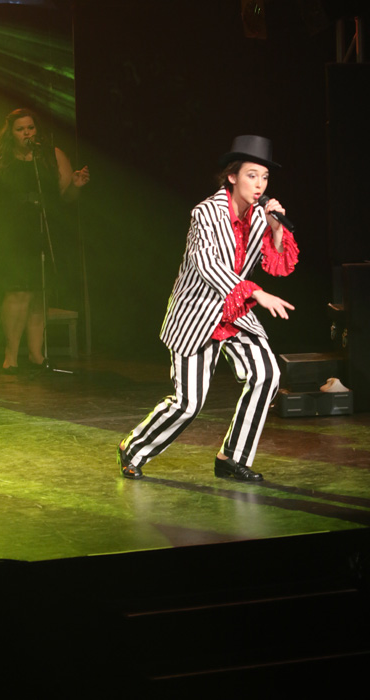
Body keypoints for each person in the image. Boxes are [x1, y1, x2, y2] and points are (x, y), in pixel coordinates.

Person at [118, 135, 299, 482]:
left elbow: (277, 264)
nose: (259, 185)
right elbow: (207, 264)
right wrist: (256, 293)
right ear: (232, 176)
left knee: (267, 374)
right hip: (197, 312)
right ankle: (134, 448)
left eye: (264, 177)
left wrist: (276, 229)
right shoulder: (205, 213)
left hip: (234, 311)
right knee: (188, 403)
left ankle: (232, 458)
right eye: (251, 176)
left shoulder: (260, 217)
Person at [0, 108, 90, 374]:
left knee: (39, 291)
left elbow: (65, 196)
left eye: (31, 128)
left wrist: (75, 185)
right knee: (18, 290)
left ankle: (37, 354)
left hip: (44, 228)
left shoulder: (51, 156)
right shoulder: (1, 160)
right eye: (20, 129)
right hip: (13, 232)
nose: (27, 133)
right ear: (11, 134)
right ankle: (11, 355)